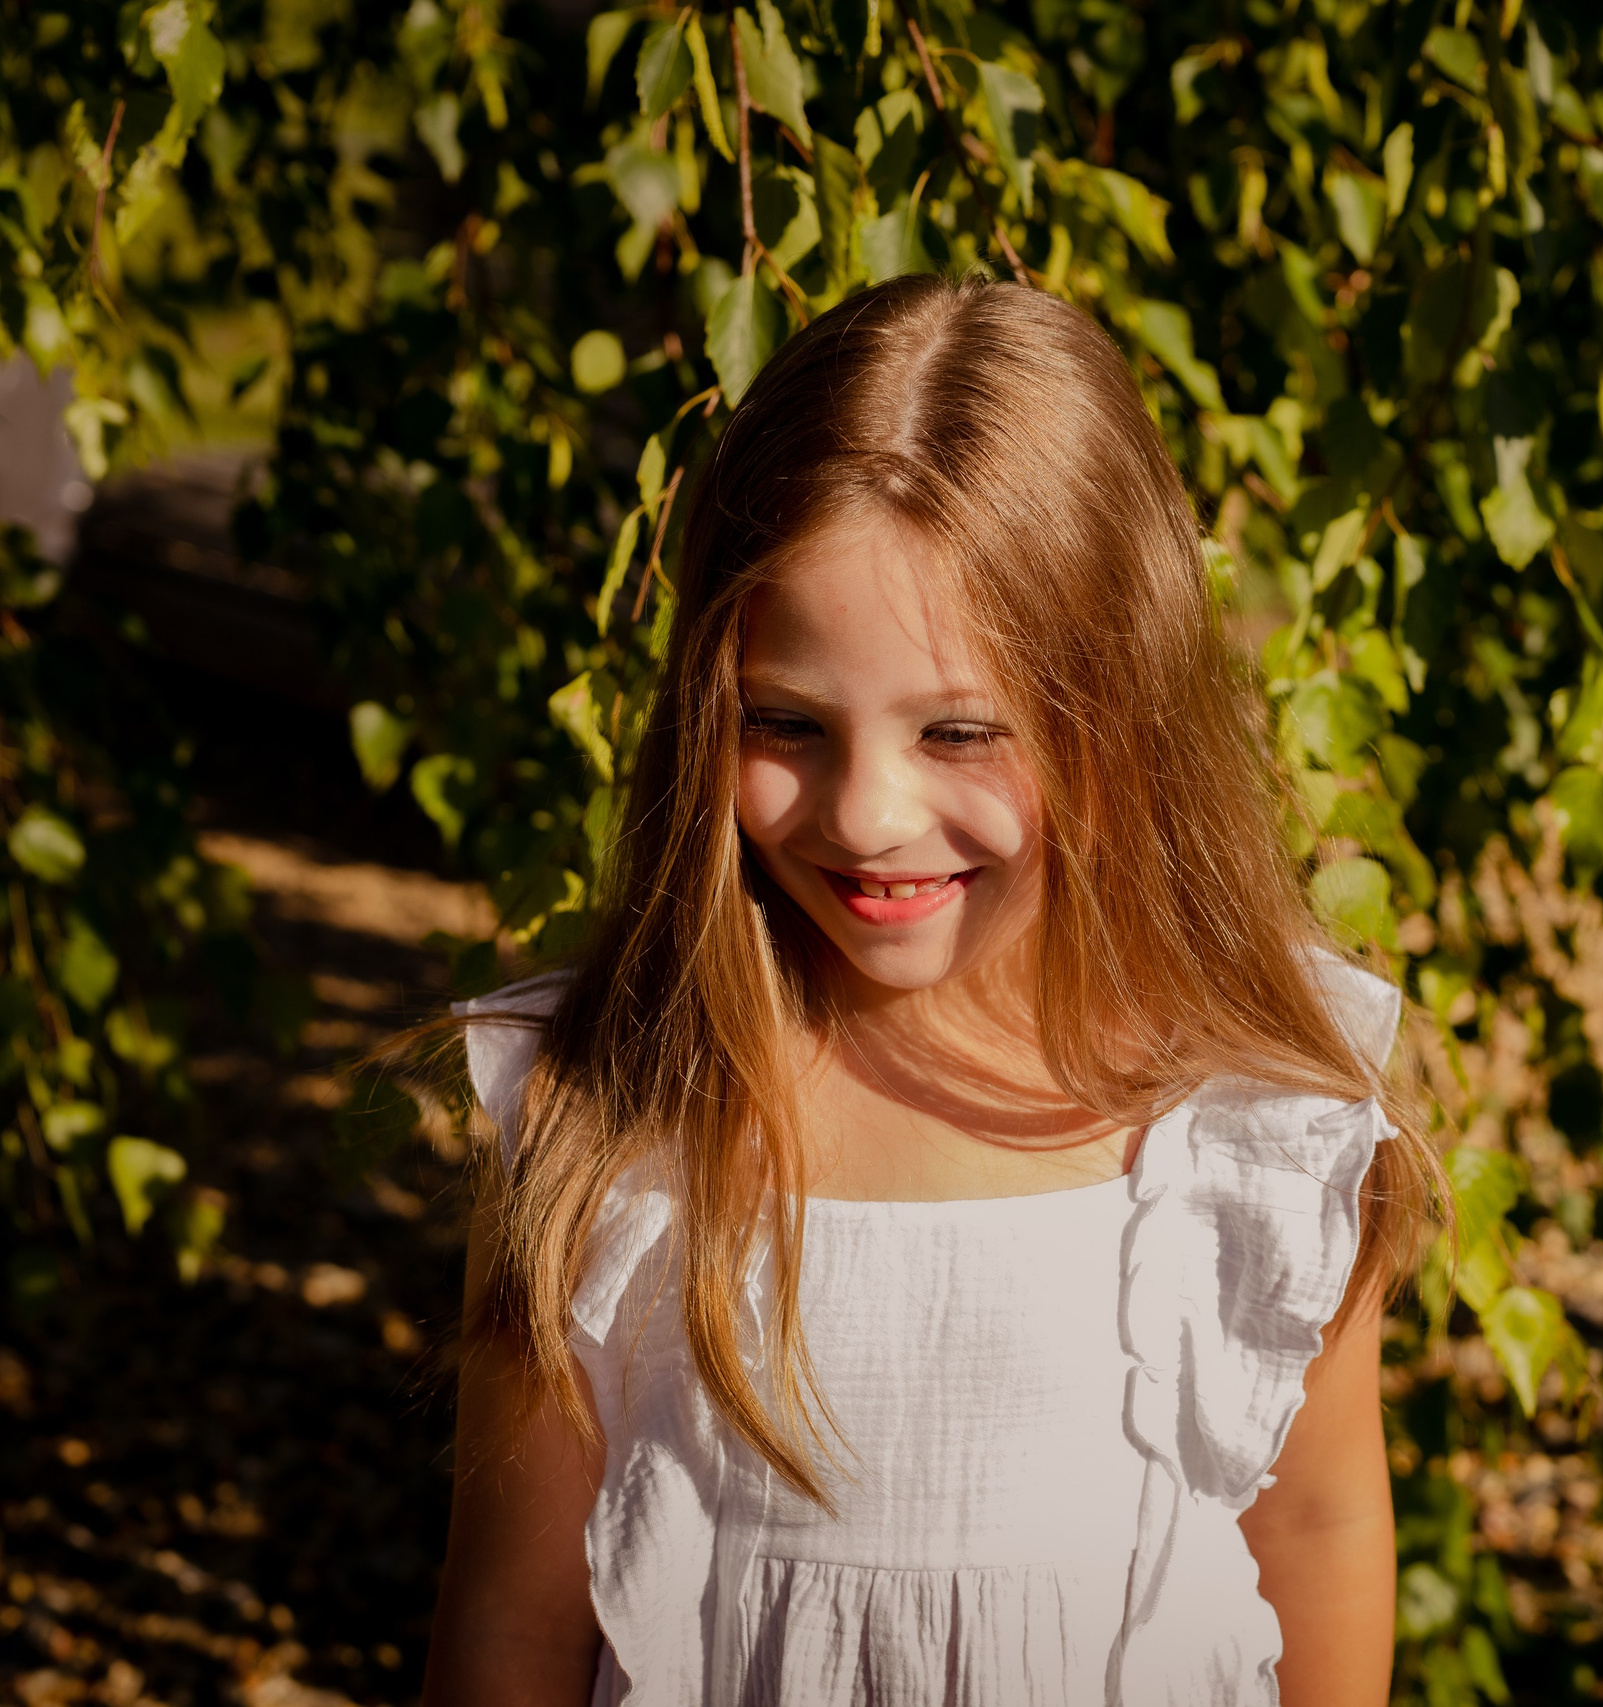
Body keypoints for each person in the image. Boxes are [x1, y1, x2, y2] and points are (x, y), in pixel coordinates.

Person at [416, 274, 1439, 1707]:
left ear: (1120, 713)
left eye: (959, 729)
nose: (867, 813)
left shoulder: (1250, 1132)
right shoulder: (607, 1121)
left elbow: (1321, 1532)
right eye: (784, 723)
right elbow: (507, 1627)